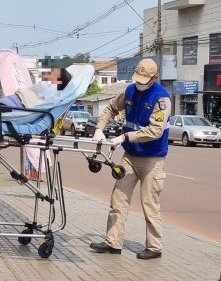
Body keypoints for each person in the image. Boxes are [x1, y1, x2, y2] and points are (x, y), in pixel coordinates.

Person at [89, 58, 171, 260]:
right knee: (118, 198)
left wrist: (125, 137)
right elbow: (110, 108)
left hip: (152, 159)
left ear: (154, 77)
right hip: (130, 156)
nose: (140, 83)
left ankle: (154, 247)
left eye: (145, 79)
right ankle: (113, 242)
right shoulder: (129, 91)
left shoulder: (162, 98)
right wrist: (100, 127)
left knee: (149, 204)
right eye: (139, 78)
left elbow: (155, 130)